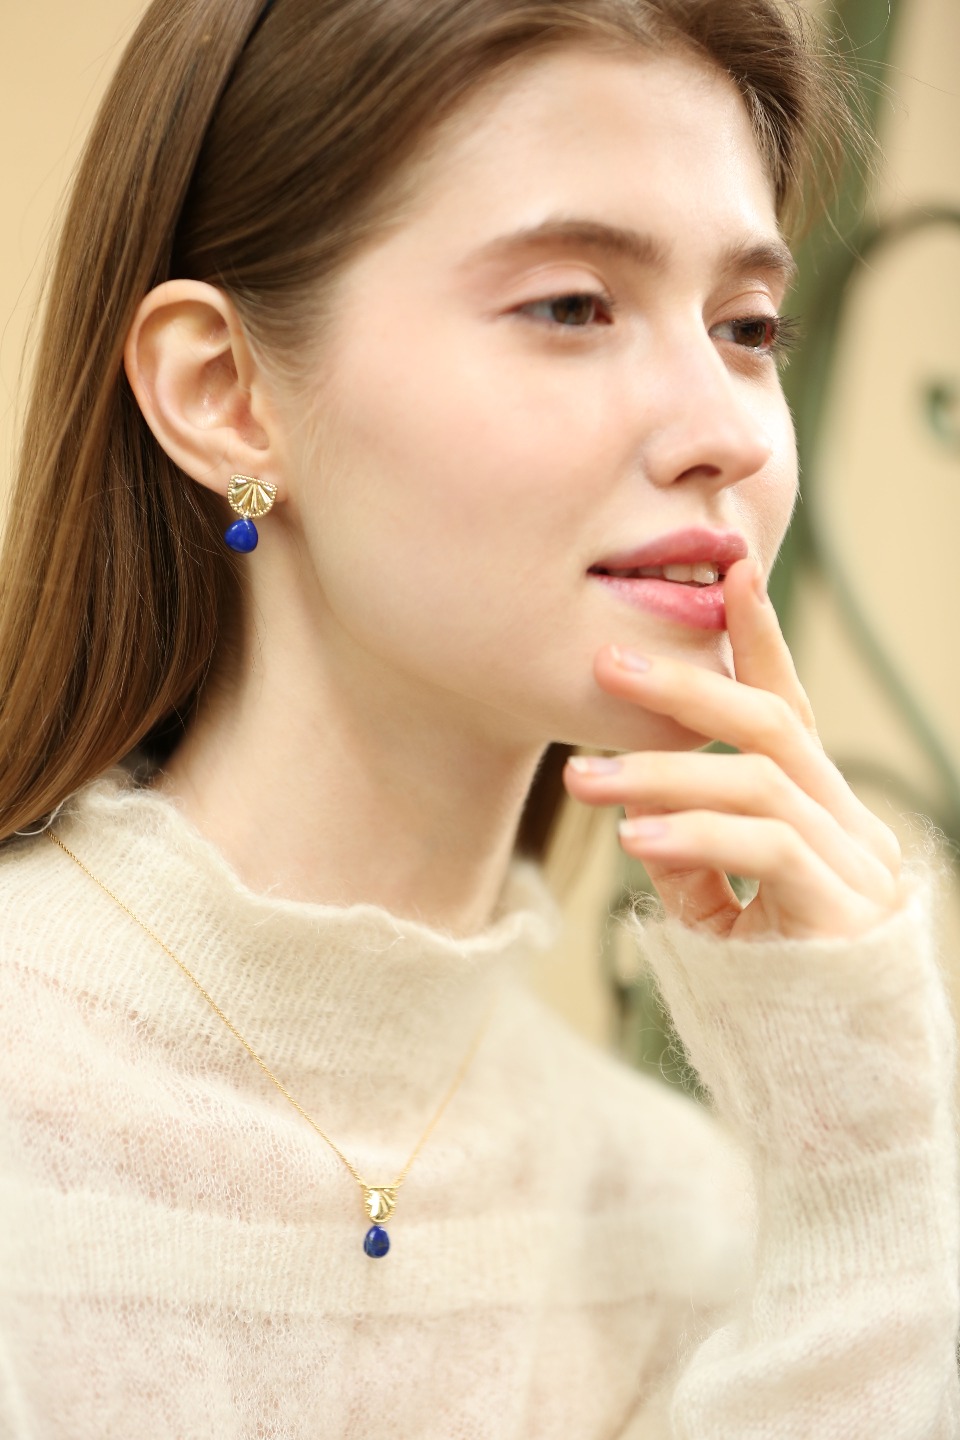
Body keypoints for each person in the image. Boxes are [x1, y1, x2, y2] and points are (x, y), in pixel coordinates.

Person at [0, 0, 957, 1433]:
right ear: (224, 394)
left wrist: (870, 1175)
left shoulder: (686, 1222)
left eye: (748, 327)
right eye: (573, 305)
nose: (729, 429)